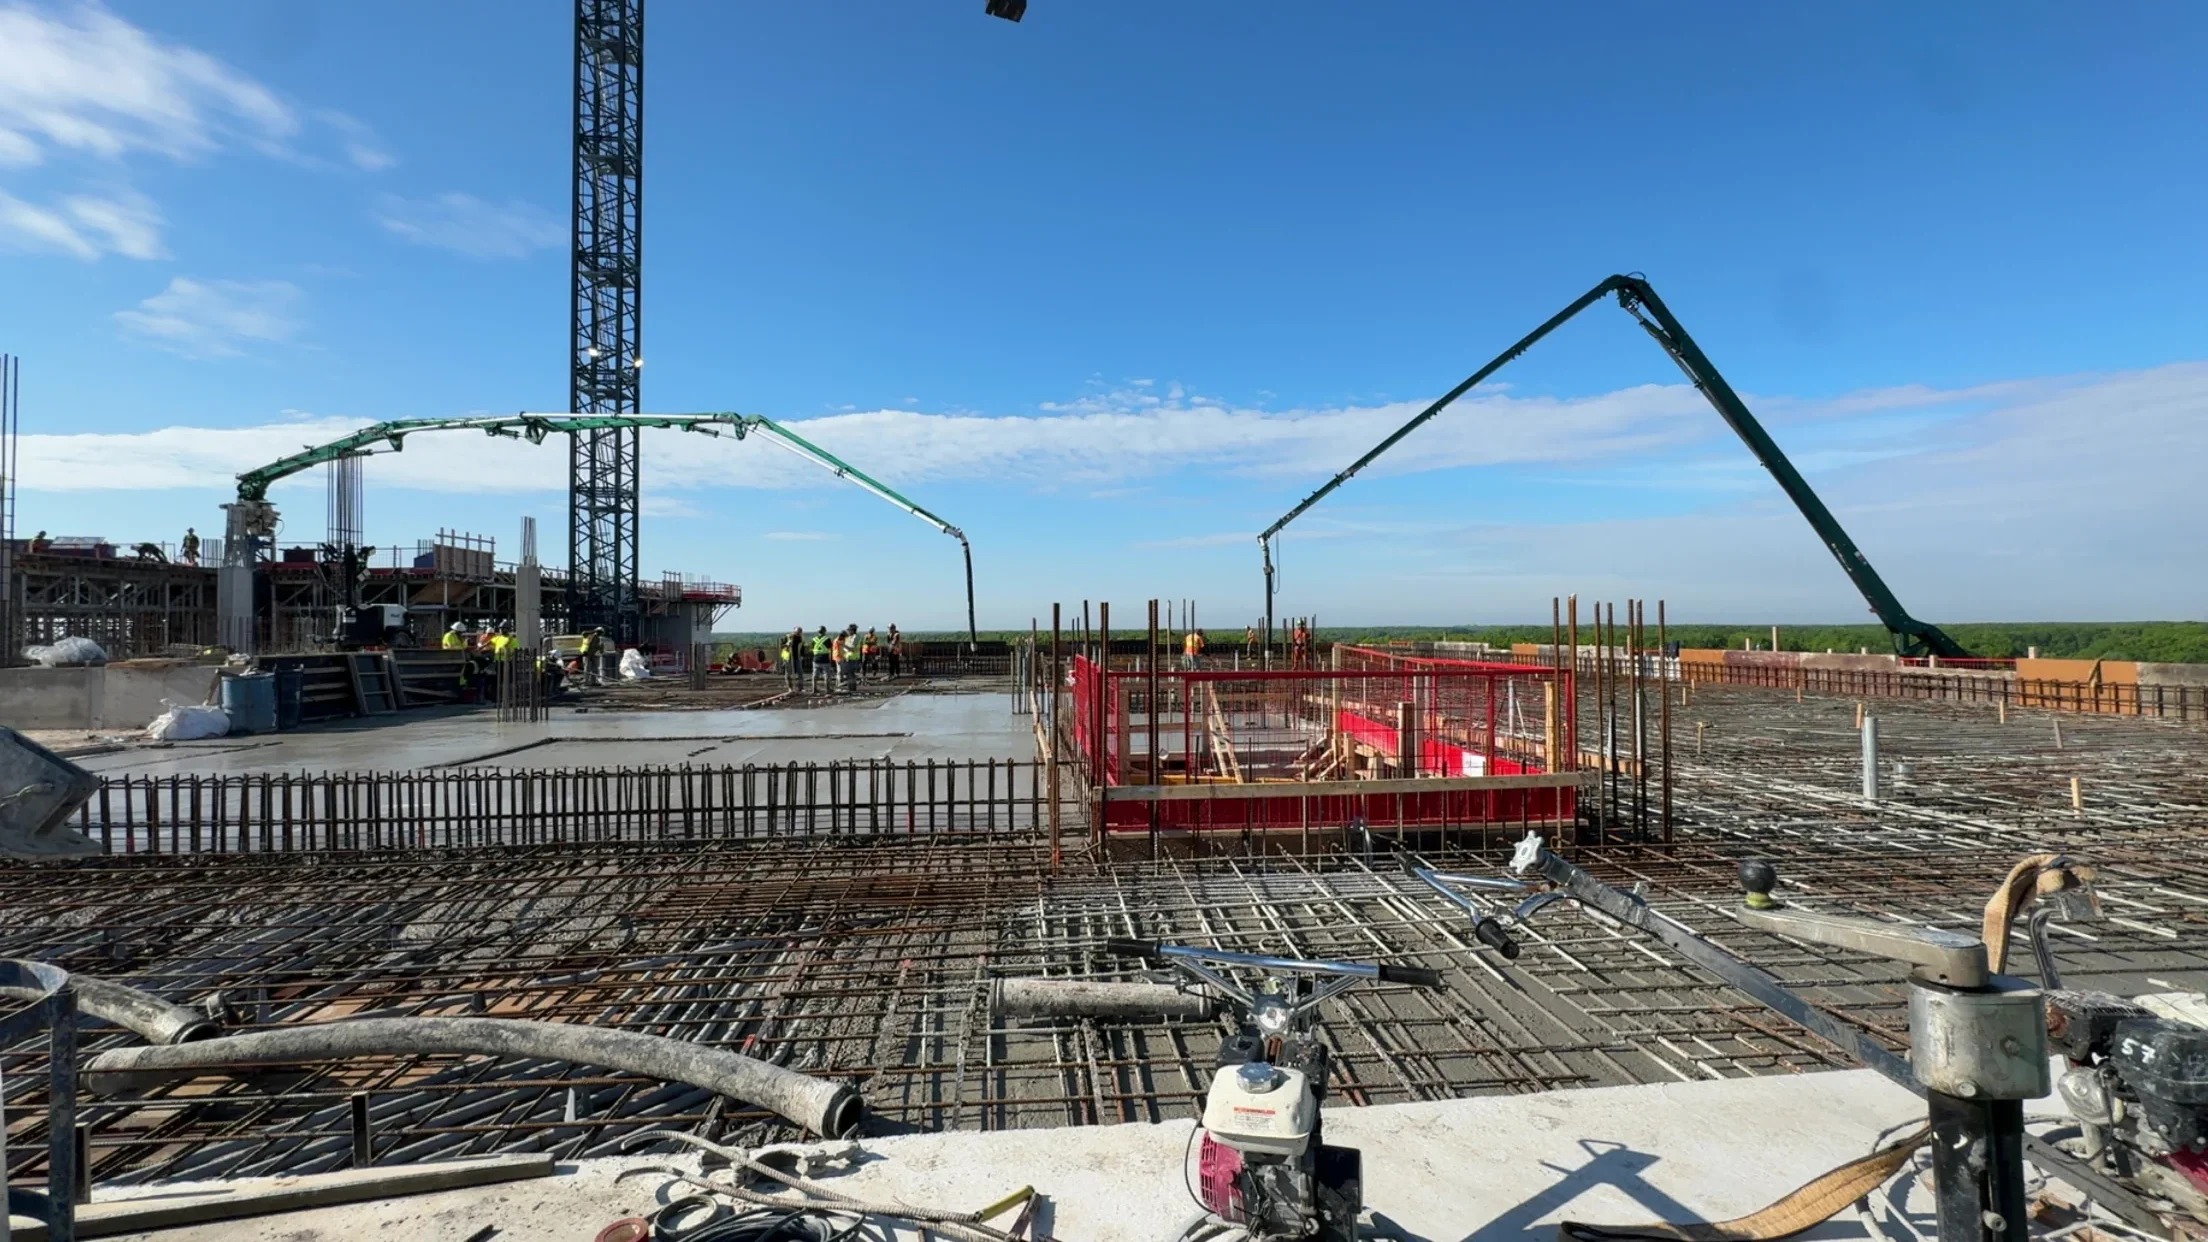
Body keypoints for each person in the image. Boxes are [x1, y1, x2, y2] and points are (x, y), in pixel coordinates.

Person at [809, 626, 832, 693]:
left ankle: (814, 689)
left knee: (815, 675)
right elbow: (830, 647)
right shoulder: (827, 639)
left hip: (816, 659)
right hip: (825, 660)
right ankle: (827, 689)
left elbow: (812, 648)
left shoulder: (814, 639)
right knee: (826, 675)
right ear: (824, 631)